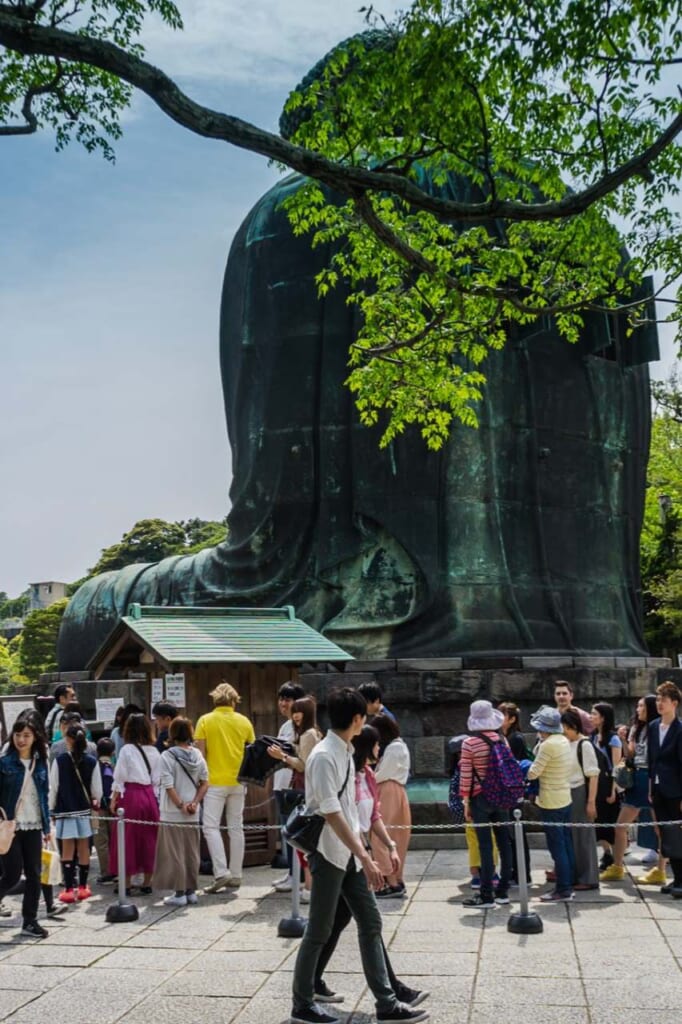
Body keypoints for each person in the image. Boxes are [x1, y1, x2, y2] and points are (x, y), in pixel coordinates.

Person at [290, 687, 427, 1024]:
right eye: (363, 716)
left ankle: (386, 1002)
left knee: (371, 921)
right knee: (319, 930)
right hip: (328, 853)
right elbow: (332, 810)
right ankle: (302, 1004)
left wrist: (366, 851)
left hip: (349, 854)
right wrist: (365, 856)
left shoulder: (345, 751)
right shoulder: (324, 756)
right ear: (356, 719)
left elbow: (349, 810)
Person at [195, 682, 255, 893]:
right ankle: (237, 874)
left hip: (214, 781)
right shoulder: (244, 721)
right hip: (239, 781)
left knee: (210, 827)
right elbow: (251, 751)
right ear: (233, 700)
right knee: (235, 828)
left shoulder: (205, 720)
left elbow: (200, 755)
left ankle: (221, 872)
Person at [599, 695, 666, 884]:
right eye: (637, 706)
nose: (638, 709)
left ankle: (660, 869)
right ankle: (618, 866)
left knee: (659, 827)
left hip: (651, 777)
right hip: (636, 777)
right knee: (620, 826)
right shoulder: (636, 728)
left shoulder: (658, 728)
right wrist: (624, 739)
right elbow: (631, 754)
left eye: (641, 706)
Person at [0, 714, 51, 938]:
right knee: (11, 874)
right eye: (18, 735)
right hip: (10, 825)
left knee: (34, 873)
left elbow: (45, 795)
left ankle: (30, 920)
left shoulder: (41, 762)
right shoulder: (4, 763)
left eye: (26, 735)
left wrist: (47, 826)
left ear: (35, 737)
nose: (21, 739)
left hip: (34, 824)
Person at [459, 700, 513, 910]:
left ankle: (486, 894)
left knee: (485, 845)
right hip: (501, 796)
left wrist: (466, 801)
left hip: (480, 797)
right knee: (504, 843)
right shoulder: (502, 740)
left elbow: (466, 775)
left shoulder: (469, 743)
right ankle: (503, 891)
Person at [268, 695, 322, 900]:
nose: (295, 714)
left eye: (299, 710)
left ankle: (309, 888)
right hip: (306, 791)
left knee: (303, 841)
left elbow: (305, 765)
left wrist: (282, 756)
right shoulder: (310, 732)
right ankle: (309, 886)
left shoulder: (308, 734)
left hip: (305, 792)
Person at [153, 716, 209, 907]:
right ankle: (191, 891)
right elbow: (205, 782)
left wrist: (180, 805)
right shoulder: (197, 755)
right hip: (193, 812)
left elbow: (168, 785)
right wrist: (194, 803)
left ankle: (179, 893)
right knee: (192, 852)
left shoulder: (167, 756)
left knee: (175, 853)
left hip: (172, 812)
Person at [49, 723, 103, 903]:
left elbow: (53, 787)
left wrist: (51, 809)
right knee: (84, 848)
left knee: (67, 849)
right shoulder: (91, 761)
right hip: (84, 811)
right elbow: (97, 790)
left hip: (65, 810)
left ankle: (68, 888)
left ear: (68, 740)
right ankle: (83, 887)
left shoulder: (60, 761)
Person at [109, 713, 161, 896]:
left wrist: (114, 799)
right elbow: (157, 781)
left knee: (127, 839)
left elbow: (120, 777)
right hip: (149, 796)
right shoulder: (155, 752)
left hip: (130, 796)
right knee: (149, 839)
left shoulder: (127, 750)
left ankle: (127, 883)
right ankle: (148, 882)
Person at [528, 705, 575, 902]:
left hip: (551, 802)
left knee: (557, 847)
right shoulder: (563, 740)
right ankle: (568, 883)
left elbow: (533, 773)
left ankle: (563, 889)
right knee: (566, 844)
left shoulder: (547, 745)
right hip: (565, 797)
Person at [648, 681, 682, 899]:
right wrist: (651, 786)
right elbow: (652, 759)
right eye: (658, 699)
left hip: (676, 790)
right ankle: (677, 877)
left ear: (675, 703)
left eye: (664, 700)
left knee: (677, 834)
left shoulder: (680, 729)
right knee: (667, 835)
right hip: (659, 788)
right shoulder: (653, 727)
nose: (659, 704)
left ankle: (681, 879)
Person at [371, 714, 411, 898]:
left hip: (387, 789)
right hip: (397, 790)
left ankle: (389, 881)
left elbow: (382, 773)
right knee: (397, 835)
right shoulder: (400, 745)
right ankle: (396, 878)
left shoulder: (394, 748)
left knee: (381, 836)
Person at [272, 681, 306, 891]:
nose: (283, 703)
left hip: (294, 786)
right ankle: (292, 872)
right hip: (281, 782)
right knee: (286, 830)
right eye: (281, 699)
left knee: (294, 831)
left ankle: (299, 875)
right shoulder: (285, 726)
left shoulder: (302, 728)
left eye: (288, 699)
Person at [560, 709, 600, 891]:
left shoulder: (584, 745)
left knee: (584, 837)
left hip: (580, 791)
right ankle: (576, 874)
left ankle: (589, 877)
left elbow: (593, 775)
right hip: (567, 792)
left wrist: (591, 801)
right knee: (572, 837)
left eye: (565, 728)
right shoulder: (565, 743)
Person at [589, 701, 622, 871]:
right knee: (599, 821)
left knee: (611, 822)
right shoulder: (592, 736)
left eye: (594, 714)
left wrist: (613, 790)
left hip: (609, 783)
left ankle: (617, 859)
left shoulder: (613, 738)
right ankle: (606, 852)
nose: (591, 716)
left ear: (603, 718)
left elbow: (616, 767)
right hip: (596, 782)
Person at [93, 736, 116, 884]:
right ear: (113, 752)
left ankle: (107, 872)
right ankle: (116, 869)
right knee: (114, 840)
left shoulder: (95, 767)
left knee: (101, 841)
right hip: (114, 808)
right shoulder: (114, 768)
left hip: (98, 809)